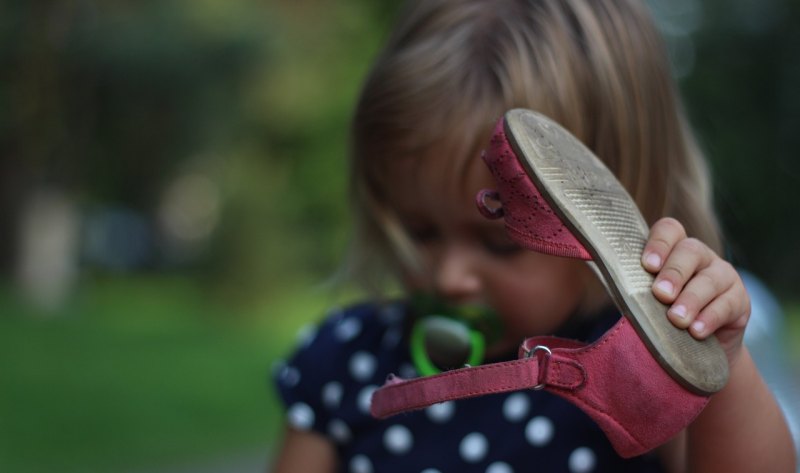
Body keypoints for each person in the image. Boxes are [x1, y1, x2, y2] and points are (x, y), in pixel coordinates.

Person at [271, 0, 797, 472]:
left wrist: (717, 365)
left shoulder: (636, 369)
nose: (449, 276)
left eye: (500, 243)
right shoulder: (347, 361)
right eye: (420, 231)